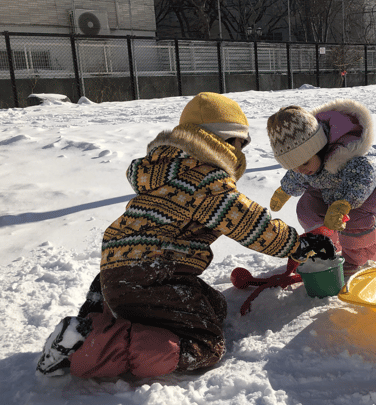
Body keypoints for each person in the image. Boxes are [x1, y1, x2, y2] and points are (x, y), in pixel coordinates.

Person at [36, 92, 335, 379]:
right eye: (237, 144)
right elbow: (248, 222)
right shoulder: (203, 178)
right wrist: (297, 244)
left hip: (122, 270)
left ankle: (103, 312)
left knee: (214, 307)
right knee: (204, 343)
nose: (240, 154)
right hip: (150, 275)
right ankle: (89, 346)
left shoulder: (166, 170)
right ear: (218, 141)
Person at [266, 99, 376, 276]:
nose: (301, 169)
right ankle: (328, 245)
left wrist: (344, 203)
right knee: (307, 208)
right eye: (294, 165)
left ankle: (357, 258)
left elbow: (365, 174)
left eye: (304, 162)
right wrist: (285, 190)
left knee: (353, 218)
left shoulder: (349, 151)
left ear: (318, 147)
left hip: (373, 188)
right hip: (333, 188)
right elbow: (298, 174)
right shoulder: (306, 163)